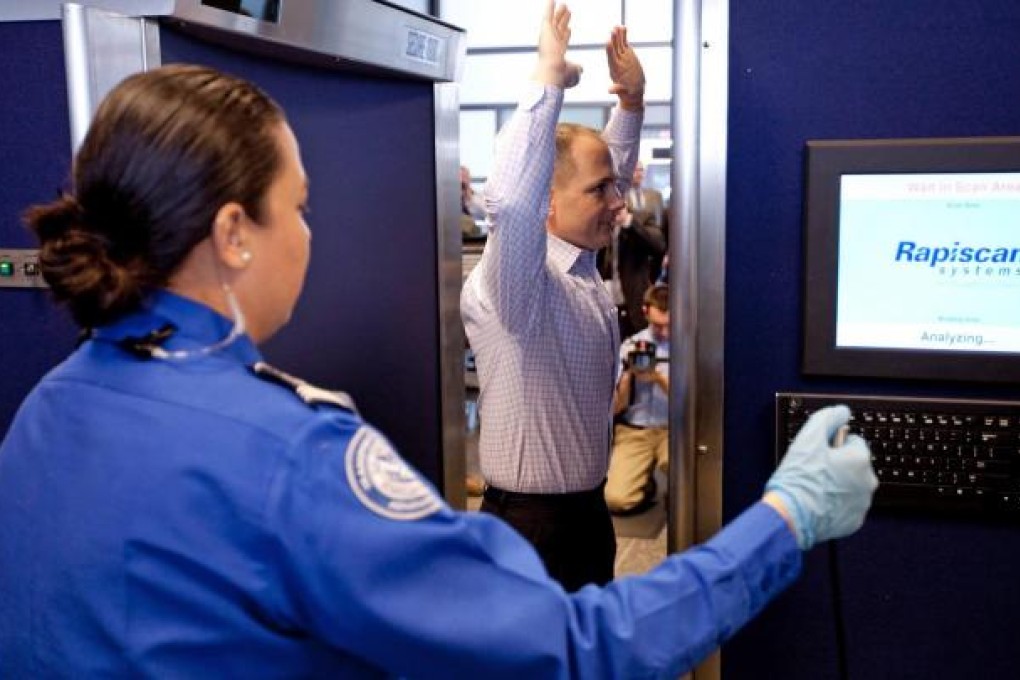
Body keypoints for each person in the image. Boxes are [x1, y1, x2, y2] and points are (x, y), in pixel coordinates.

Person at [0, 13, 878, 680]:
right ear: (234, 233)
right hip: (529, 515)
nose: (311, 234)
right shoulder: (295, 449)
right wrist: (784, 520)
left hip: (578, 515)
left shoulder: (50, 411)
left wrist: (629, 106)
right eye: (300, 206)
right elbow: (576, 648)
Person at [460, 0, 649, 591]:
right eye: (602, 192)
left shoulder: (581, 269)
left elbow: (598, 170)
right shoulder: (518, 287)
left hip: (584, 517)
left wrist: (631, 106)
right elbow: (513, 201)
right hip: (529, 532)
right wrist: (547, 79)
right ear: (548, 201)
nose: (619, 204)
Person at [605, 283, 671, 514]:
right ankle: (646, 483)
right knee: (616, 500)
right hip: (635, 429)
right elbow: (616, 408)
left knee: (691, 487)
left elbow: (696, 404)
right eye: (657, 325)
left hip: (673, 431)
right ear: (645, 312)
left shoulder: (688, 346)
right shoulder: (629, 346)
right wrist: (627, 378)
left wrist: (658, 379)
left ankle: (673, 488)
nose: (663, 333)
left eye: (668, 326)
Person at [597, 160, 667, 338]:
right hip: (604, 299)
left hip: (634, 298)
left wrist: (628, 221)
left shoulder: (642, 216)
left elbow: (658, 245)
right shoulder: (600, 221)